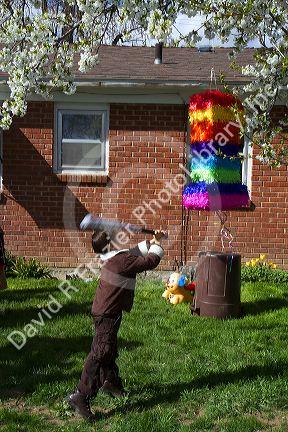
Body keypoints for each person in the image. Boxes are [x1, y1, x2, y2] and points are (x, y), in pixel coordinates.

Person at [67, 228, 166, 421]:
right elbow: (149, 261)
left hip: (105, 311)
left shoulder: (115, 257)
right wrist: (157, 246)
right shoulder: (120, 260)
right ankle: (81, 395)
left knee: (108, 349)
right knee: (100, 352)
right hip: (107, 313)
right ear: (113, 244)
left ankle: (110, 383)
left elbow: (133, 253)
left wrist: (152, 240)